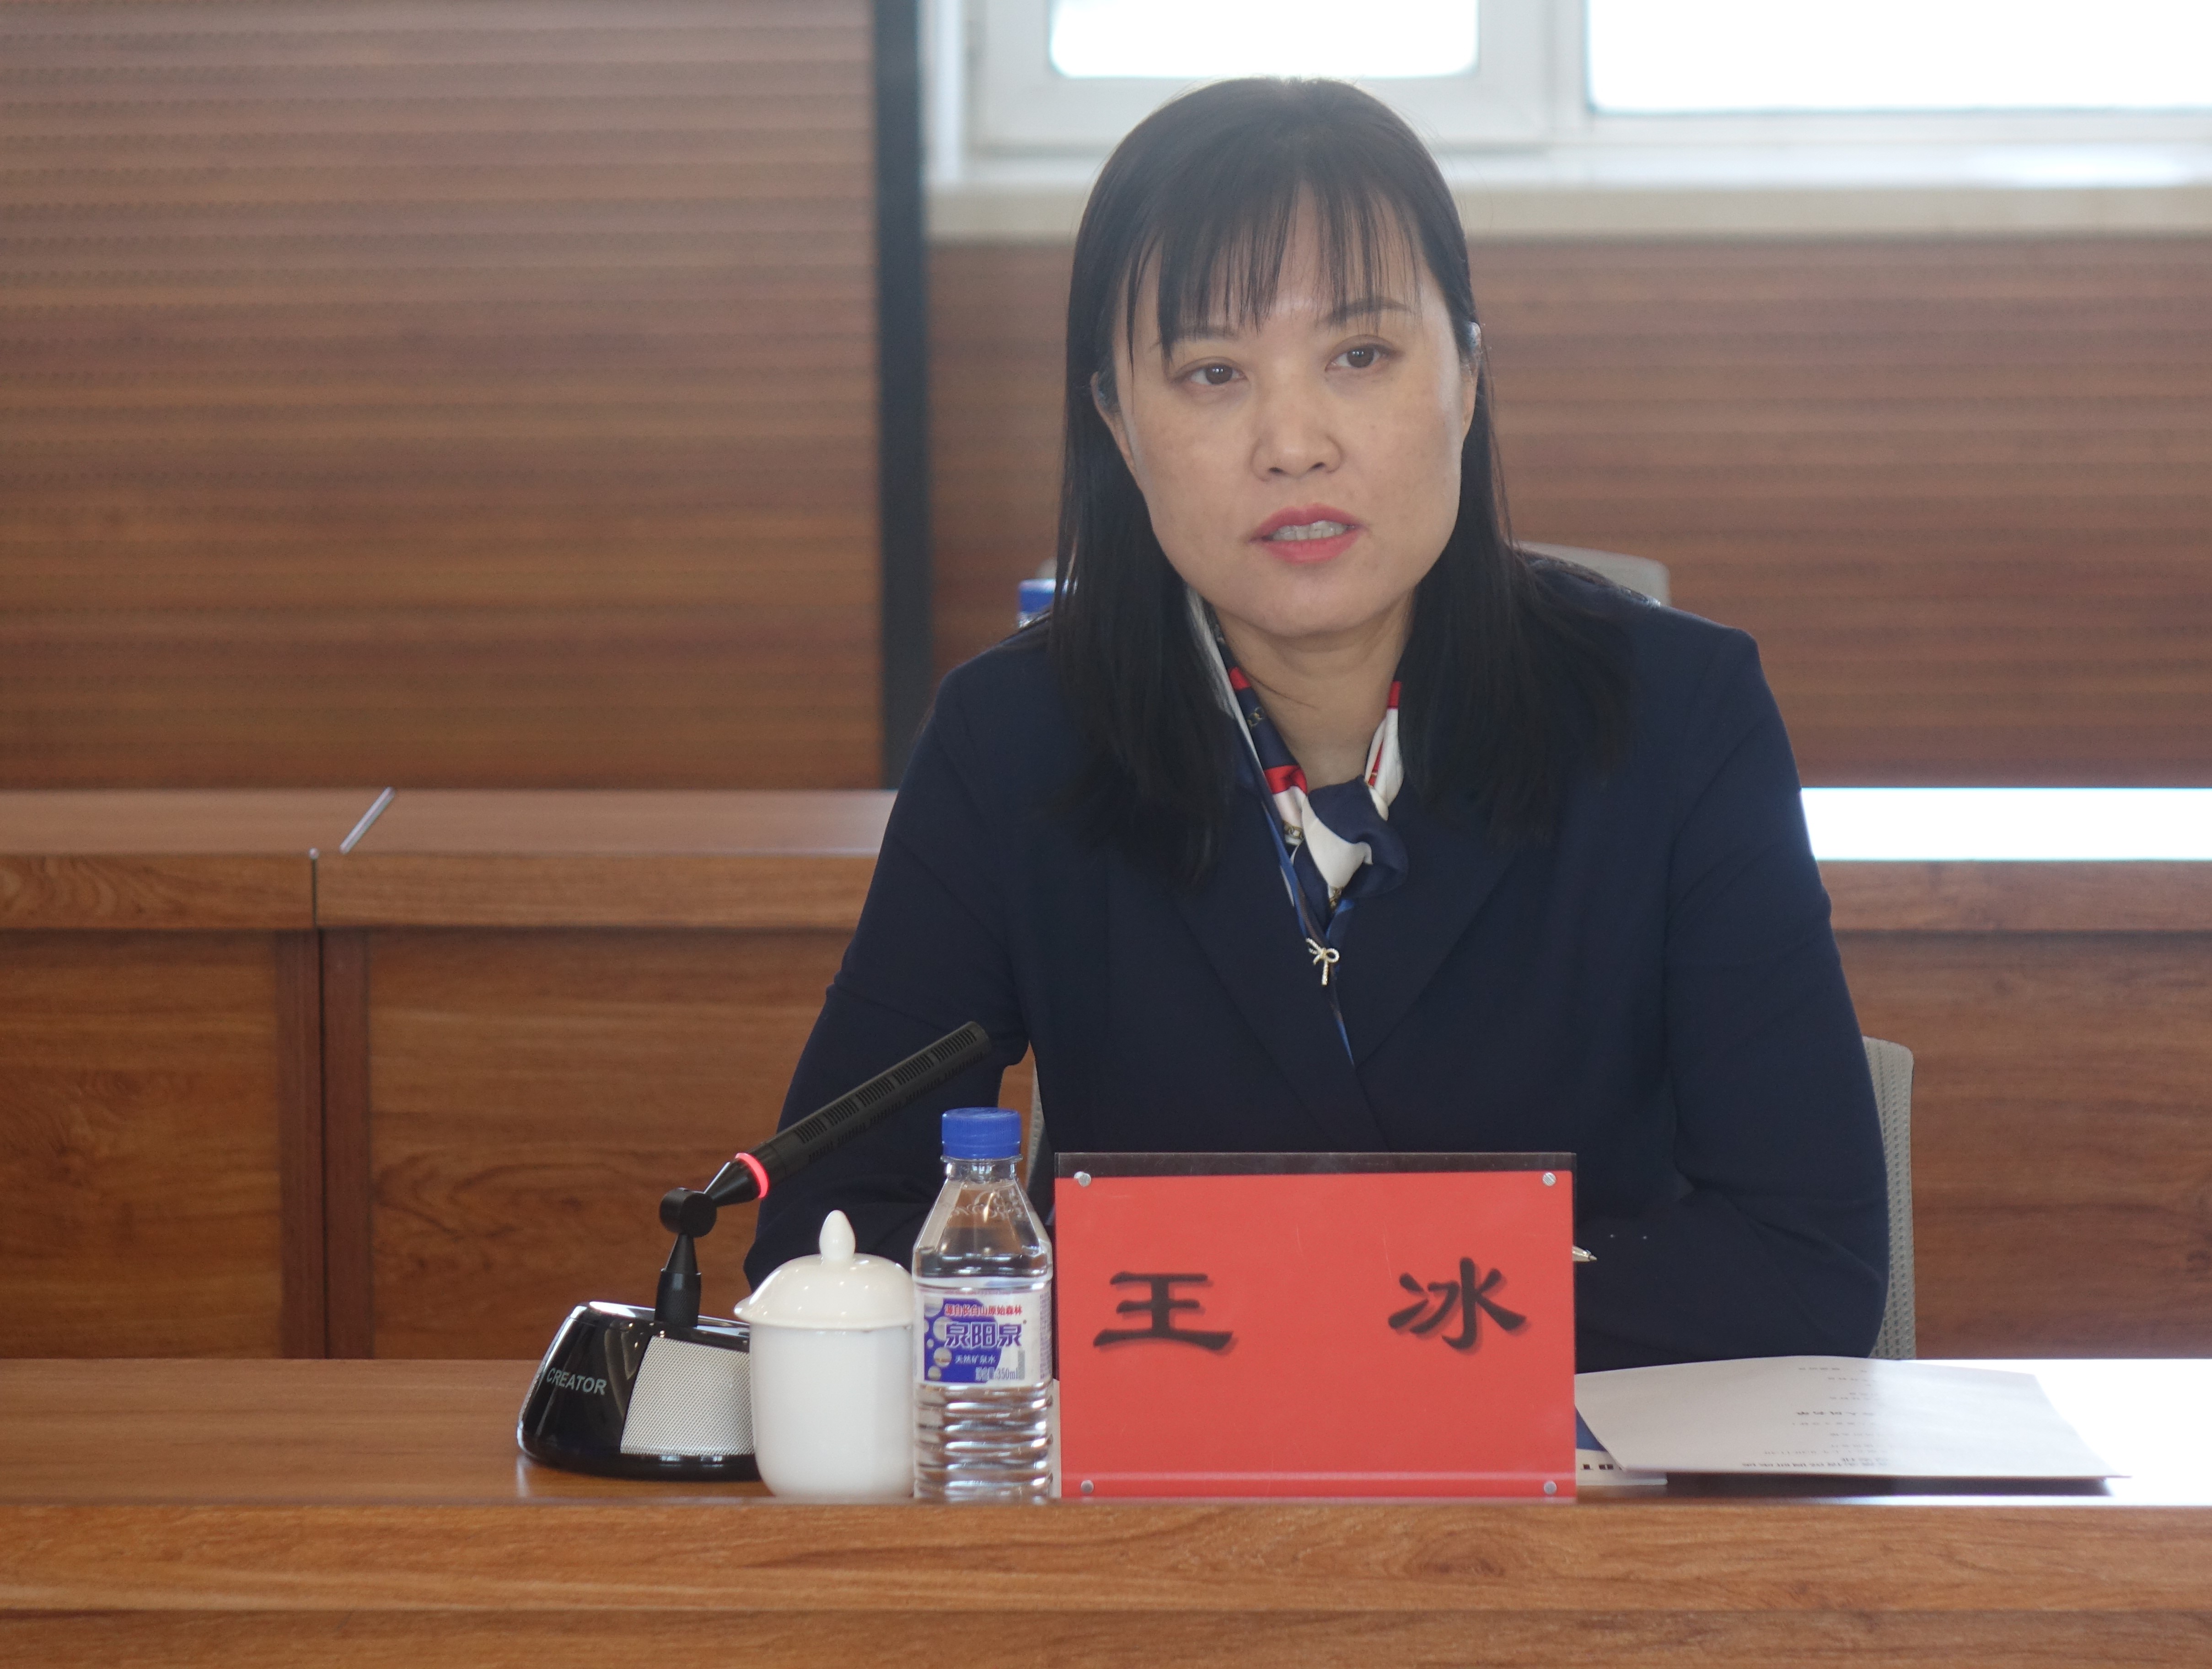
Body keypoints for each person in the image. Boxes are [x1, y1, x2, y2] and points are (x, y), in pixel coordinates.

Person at [747, 78, 1886, 1370]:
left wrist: (1265, 1313)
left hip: (1575, 1482)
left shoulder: (1680, 717)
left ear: (1468, 376)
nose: (1293, 443)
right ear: (1118, 421)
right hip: (1163, 1483)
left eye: (1359, 357)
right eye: (1213, 373)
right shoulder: (1013, 742)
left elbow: (1810, 1267)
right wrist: (1390, 1309)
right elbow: (827, 1233)